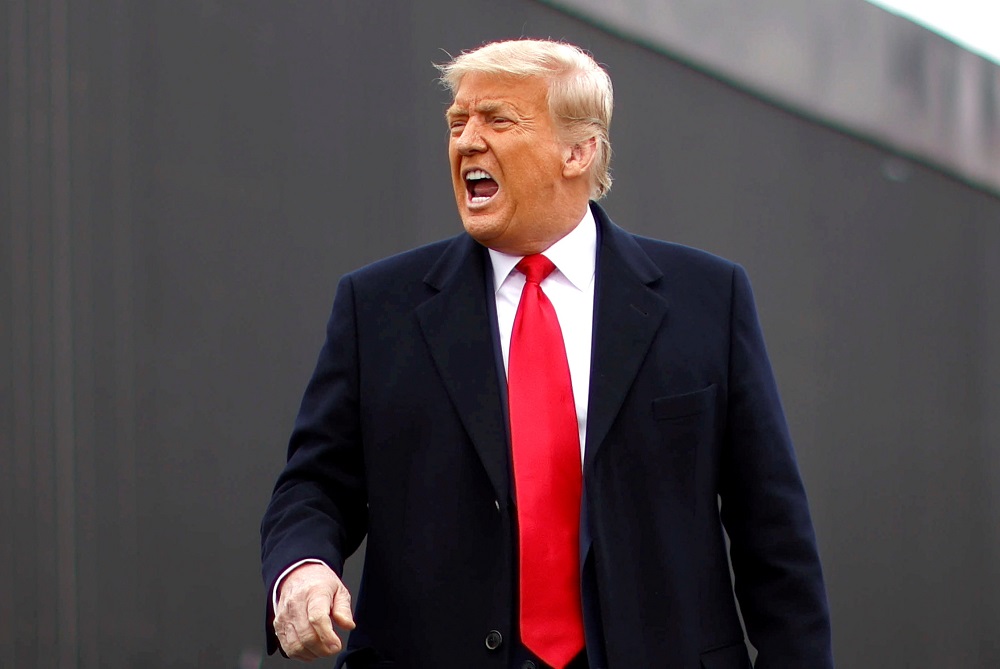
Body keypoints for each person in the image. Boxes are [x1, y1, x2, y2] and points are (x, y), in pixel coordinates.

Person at [261, 38, 833, 669]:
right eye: (458, 123)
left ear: (578, 150)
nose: (467, 141)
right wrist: (304, 569)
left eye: (498, 120)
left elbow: (772, 534)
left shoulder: (708, 300)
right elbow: (314, 484)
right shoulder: (377, 307)